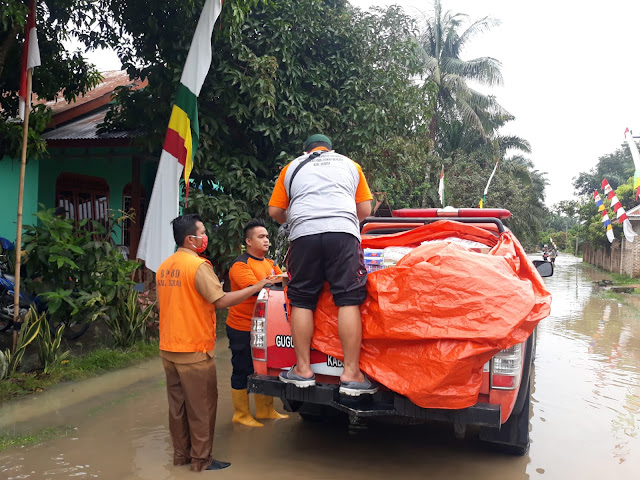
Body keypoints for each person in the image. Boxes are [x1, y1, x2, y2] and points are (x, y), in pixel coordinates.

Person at [157, 214, 276, 472]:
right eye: (202, 232)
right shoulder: (198, 266)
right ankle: (201, 461)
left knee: (177, 407)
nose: (205, 237)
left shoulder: (165, 266)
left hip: (168, 346)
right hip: (193, 348)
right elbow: (220, 300)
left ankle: (181, 457)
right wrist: (258, 286)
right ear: (191, 239)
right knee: (202, 407)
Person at [268, 134, 377, 396]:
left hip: (303, 233)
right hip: (342, 232)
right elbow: (365, 209)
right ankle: (351, 373)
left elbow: (274, 212)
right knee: (348, 297)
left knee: (302, 298)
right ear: (331, 149)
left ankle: (303, 369)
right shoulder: (350, 165)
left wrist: (295, 220)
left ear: (305, 151)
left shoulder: (291, 168)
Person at [226, 218, 289, 427]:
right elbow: (256, 290)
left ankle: (265, 410)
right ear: (248, 242)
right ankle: (241, 414)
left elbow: (284, 280)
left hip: (265, 327)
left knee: (264, 369)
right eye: (261, 237)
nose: (267, 241)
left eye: (268, 237)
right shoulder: (240, 265)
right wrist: (278, 279)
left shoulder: (270, 263)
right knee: (242, 368)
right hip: (242, 327)